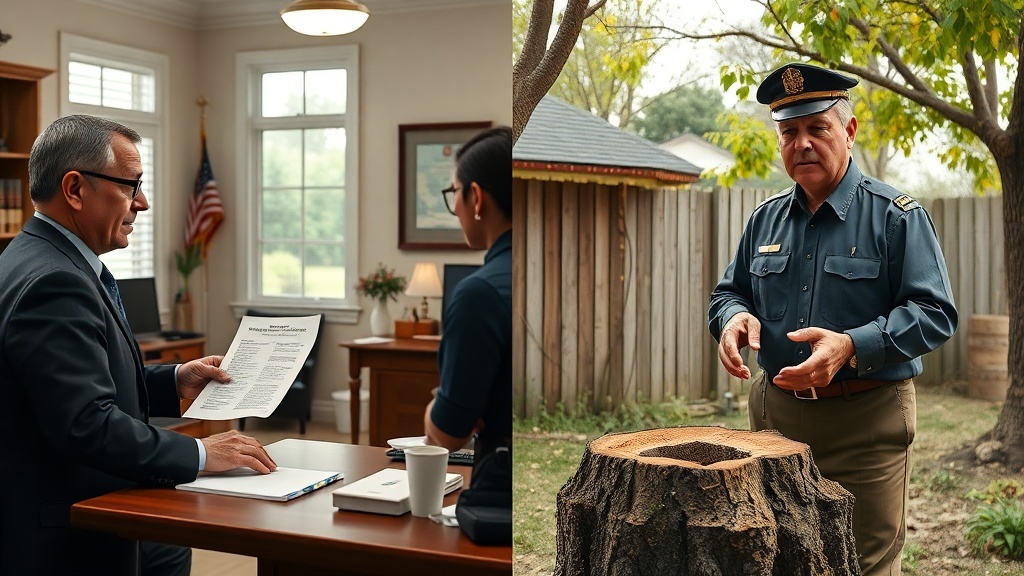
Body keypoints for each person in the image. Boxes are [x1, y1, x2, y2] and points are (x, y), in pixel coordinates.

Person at [0, 114, 277, 576]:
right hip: (69, 533)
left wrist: (174, 379)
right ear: (74, 189)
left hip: (102, 506)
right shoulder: (56, 280)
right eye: (131, 186)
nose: (142, 203)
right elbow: (86, 422)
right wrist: (205, 454)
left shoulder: (37, 255)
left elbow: (80, 382)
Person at [708, 63, 957, 576]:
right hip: (774, 425)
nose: (801, 143)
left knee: (860, 566)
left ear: (848, 130)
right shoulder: (764, 219)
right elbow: (729, 292)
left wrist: (851, 344)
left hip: (865, 427)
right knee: (777, 561)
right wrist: (732, 318)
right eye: (788, 132)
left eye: (816, 128)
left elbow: (935, 314)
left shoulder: (897, 217)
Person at [424, 125, 511, 463]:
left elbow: (446, 434)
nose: (455, 207)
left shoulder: (480, 294)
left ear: (475, 197)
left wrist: (436, 403)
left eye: (454, 192)